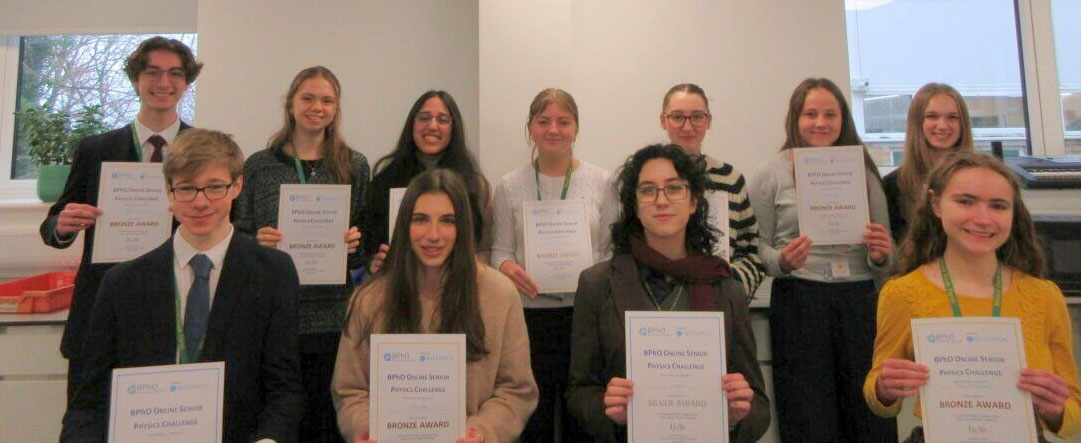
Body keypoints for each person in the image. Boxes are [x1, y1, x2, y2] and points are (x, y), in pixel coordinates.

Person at [60, 129, 305, 443]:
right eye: (187, 188)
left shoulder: (273, 273)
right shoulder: (122, 284)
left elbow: (284, 389)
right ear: (168, 191)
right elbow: (88, 403)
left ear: (238, 186)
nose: (200, 202)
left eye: (215, 187)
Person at [865, 151, 1081, 441]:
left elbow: (1072, 409)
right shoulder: (902, 292)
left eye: (998, 206)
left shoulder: (1044, 296)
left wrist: (1056, 410)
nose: (982, 218)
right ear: (936, 204)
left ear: (1013, 214)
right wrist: (884, 388)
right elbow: (879, 396)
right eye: (965, 202)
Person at [567, 144, 770, 442]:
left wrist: (737, 415)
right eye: (648, 190)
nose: (661, 200)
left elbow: (760, 405)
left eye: (674, 188)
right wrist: (609, 411)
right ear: (634, 205)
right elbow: (578, 392)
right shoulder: (597, 285)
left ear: (693, 202)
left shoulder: (725, 287)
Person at [38, 36, 202, 399]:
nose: (164, 83)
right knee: (91, 419)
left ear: (187, 82)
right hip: (103, 307)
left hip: (180, 304)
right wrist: (62, 226)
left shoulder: (204, 148)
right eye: (153, 72)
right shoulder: (96, 149)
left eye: (175, 73)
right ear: (135, 80)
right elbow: (51, 226)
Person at [333, 168, 538, 443]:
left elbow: (516, 390)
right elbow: (350, 390)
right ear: (405, 225)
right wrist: (367, 429)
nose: (433, 234)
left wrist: (481, 431)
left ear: (463, 226)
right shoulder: (369, 299)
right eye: (420, 219)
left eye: (447, 220)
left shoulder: (500, 295)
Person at [748, 78, 896, 441]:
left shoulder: (864, 172)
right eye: (810, 114)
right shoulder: (771, 173)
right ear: (794, 119)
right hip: (800, 300)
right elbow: (754, 248)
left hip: (859, 300)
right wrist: (781, 260)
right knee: (808, 415)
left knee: (868, 417)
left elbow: (886, 254)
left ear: (843, 120)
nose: (820, 123)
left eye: (830, 114)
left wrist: (880, 254)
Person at [233, 66, 369, 443]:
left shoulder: (354, 165)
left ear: (336, 109)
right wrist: (256, 241)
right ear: (291, 104)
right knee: (279, 420)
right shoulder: (259, 165)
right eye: (308, 98)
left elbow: (363, 248)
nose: (317, 107)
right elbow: (235, 236)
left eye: (327, 100)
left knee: (326, 421)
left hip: (332, 315)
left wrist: (355, 244)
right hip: (273, 315)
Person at [490, 88, 617, 441]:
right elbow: (498, 251)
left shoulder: (602, 182)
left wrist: (589, 278)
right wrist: (508, 269)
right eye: (543, 121)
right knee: (535, 418)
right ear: (530, 128)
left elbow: (610, 252)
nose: (553, 130)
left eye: (564, 121)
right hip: (528, 317)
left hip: (584, 318)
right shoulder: (509, 185)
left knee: (582, 418)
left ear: (576, 128)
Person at [362, 90, 491, 274]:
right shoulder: (384, 180)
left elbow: (485, 248)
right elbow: (370, 243)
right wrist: (373, 262)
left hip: (457, 289)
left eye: (443, 120)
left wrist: (465, 267)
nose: (432, 126)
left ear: (454, 128)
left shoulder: (475, 185)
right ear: (412, 124)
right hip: (398, 290)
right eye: (424, 118)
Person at [659, 83, 766, 299]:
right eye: (677, 117)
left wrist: (731, 287)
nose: (688, 127)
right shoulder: (646, 180)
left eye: (697, 117)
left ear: (709, 121)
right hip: (661, 302)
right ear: (663, 121)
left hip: (719, 299)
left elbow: (752, 251)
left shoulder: (730, 179)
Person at [883, 83, 975, 242]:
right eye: (932, 116)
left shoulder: (983, 181)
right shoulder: (891, 186)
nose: (942, 125)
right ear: (917, 123)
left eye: (952, 117)